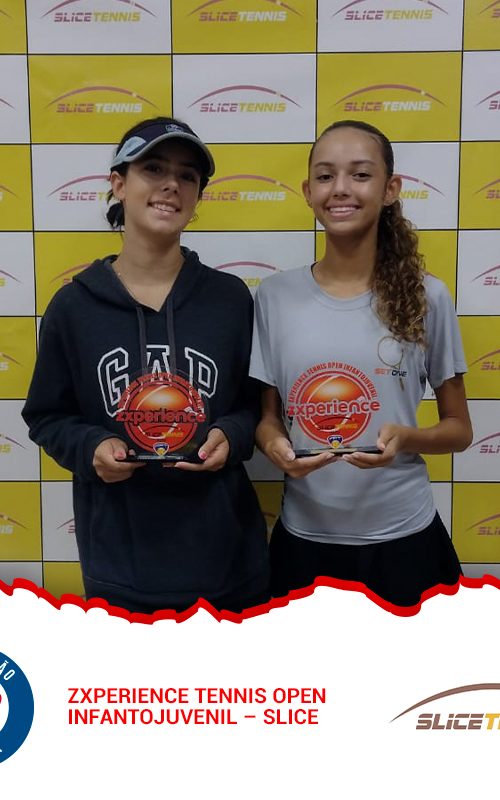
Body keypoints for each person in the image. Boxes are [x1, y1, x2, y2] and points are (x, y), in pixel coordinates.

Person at [22, 116, 269, 615]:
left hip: (227, 560)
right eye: (153, 168)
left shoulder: (229, 300)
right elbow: (46, 416)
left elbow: (256, 407)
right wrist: (90, 445)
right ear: (118, 183)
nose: (171, 184)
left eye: (187, 176)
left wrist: (232, 434)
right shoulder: (73, 307)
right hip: (121, 564)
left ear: (197, 197)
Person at [250, 119, 472, 607]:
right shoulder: (273, 296)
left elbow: (459, 430)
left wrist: (406, 438)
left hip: (405, 539)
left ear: (391, 189)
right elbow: (267, 418)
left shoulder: (428, 297)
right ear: (308, 192)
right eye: (325, 176)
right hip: (304, 540)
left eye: (361, 174)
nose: (341, 188)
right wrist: (274, 446)